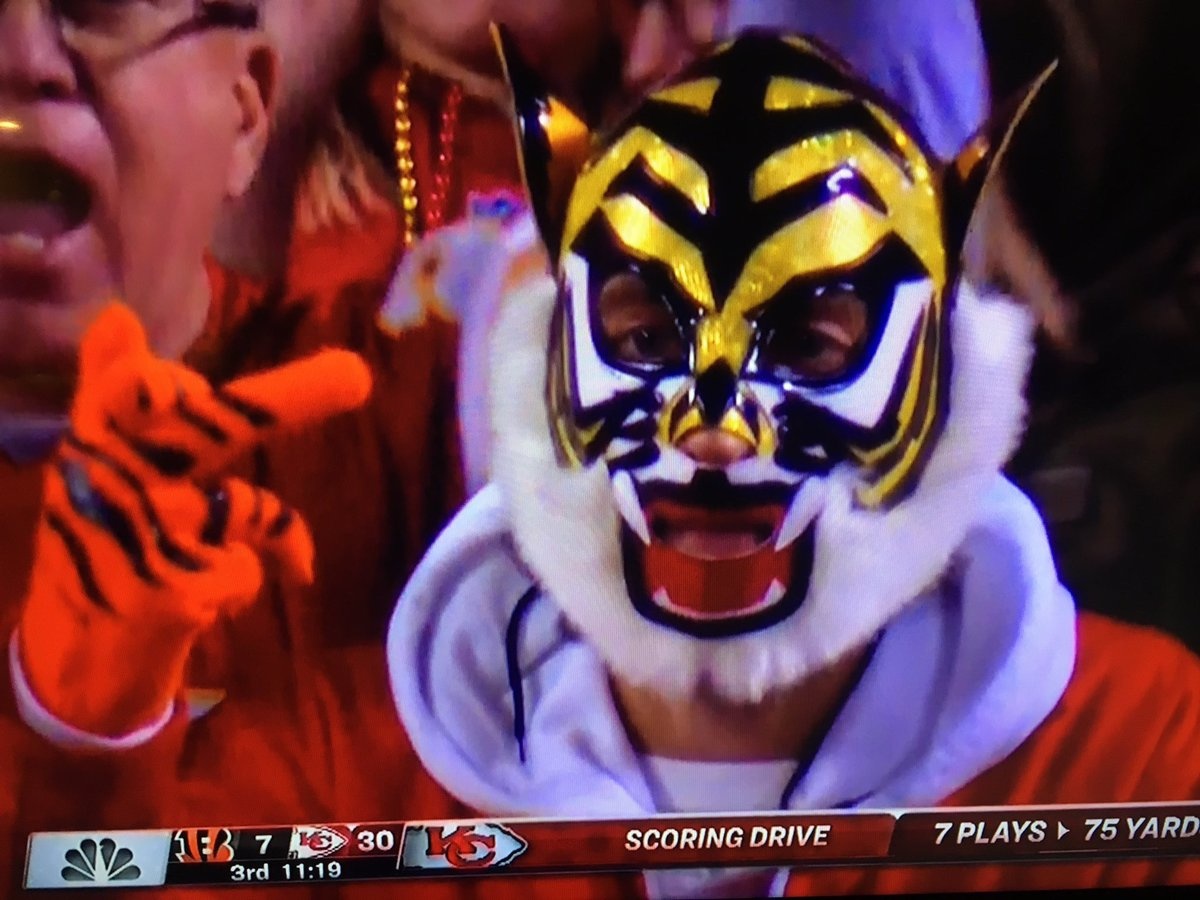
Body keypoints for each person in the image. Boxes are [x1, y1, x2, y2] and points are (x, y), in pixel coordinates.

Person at [387, 32, 1200, 898]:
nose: (714, 432)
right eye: (648, 338)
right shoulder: (345, 775)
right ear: (545, 359)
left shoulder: (1142, 759)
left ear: (950, 378)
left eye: (808, 345)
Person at [0, 1, 471, 894]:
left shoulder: (429, 409)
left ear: (246, 113)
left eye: (95, 4)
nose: (21, 63)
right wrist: (79, 737)